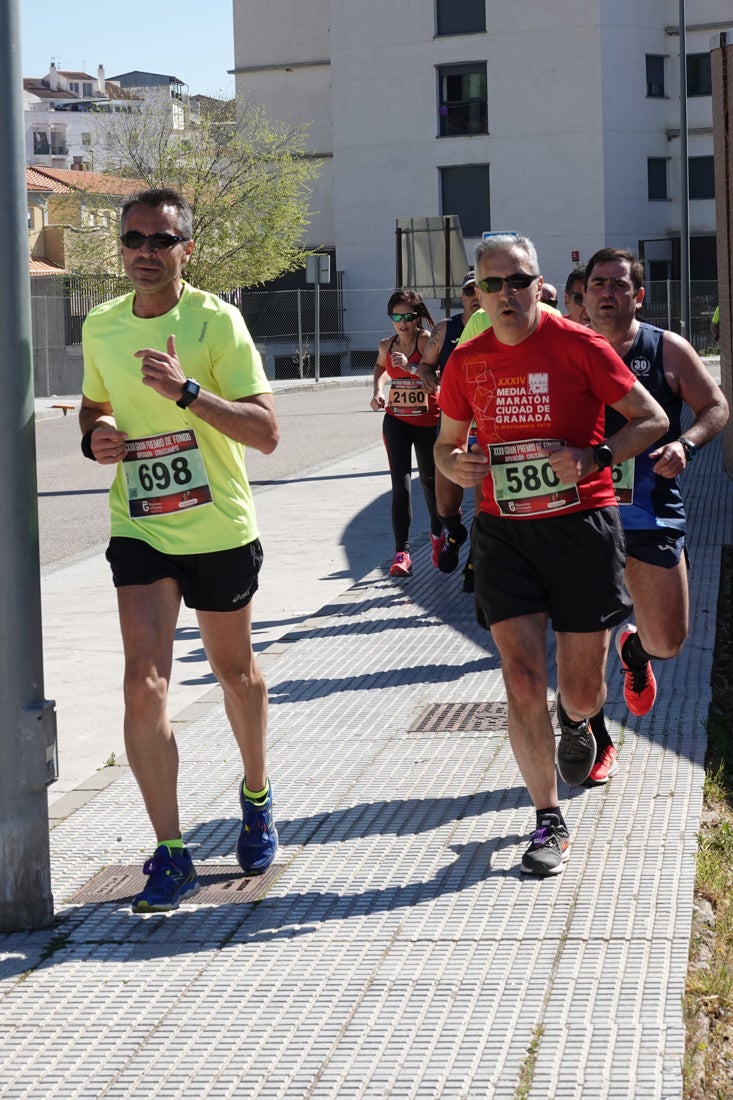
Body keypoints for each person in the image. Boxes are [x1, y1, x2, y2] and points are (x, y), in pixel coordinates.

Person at [434, 233, 668, 875]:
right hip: (506, 534)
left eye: (518, 281)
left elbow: (650, 420)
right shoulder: (466, 360)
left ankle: (578, 720)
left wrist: (593, 457)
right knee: (520, 677)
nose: (506, 294)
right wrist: (458, 469)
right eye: (492, 284)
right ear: (475, 292)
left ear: (538, 284)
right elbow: (445, 447)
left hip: (582, 528)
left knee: (583, 689)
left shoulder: (579, 344)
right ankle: (547, 818)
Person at [79, 187, 280, 913]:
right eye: (134, 239)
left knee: (235, 673)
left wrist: (187, 392)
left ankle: (255, 794)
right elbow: (96, 406)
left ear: (185, 250)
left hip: (218, 527)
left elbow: (265, 431)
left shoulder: (215, 321)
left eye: (161, 241)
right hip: (140, 522)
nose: (145, 252)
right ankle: (170, 851)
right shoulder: (102, 326)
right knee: (143, 682)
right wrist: (94, 437)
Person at [582, 248, 729, 782]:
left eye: (619, 284)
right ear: (584, 294)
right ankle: (596, 741)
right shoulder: (564, 349)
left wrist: (687, 446)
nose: (607, 292)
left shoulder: (666, 349)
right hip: (582, 517)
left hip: (651, 515)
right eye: (598, 283)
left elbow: (715, 407)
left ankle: (636, 651)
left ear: (637, 295)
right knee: (582, 644)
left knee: (669, 639)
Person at [371, 290, 443, 576]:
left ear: (417, 318)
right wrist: (377, 391)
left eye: (408, 317)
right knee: (400, 486)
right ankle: (402, 553)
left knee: (429, 481)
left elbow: (437, 380)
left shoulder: (427, 341)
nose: (402, 323)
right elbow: (379, 368)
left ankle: (437, 535)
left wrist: (411, 367)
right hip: (397, 421)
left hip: (427, 421)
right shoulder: (385, 345)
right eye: (397, 317)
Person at [416, 270, 481, 577]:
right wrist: (429, 377)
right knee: (445, 506)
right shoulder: (445, 328)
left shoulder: (501, 327)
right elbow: (425, 366)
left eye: (482, 289)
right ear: (462, 296)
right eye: (469, 290)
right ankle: (455, 534)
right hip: (453, 427)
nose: (475, 296)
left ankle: (475, 563)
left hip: (488, 430)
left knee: (485, 507)